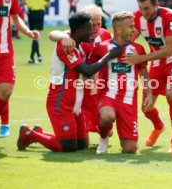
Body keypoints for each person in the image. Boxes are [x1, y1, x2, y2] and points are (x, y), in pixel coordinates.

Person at [16, 12, 122, 152]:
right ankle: (30, 133)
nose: (92, 32)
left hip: (75, 104)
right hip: (61, 103)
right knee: (68, 146)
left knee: (82, 145)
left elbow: (59, 33)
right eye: (89, 28)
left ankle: (40, 132)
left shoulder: (74, 41)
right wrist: (109, 55)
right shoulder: (66, 46)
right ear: (78, 31)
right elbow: (87, 71)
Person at [123, 0, 172, 154]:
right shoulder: (137, 17)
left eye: (147, 8)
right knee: (146, 107)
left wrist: (140, 59)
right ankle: (158, 127)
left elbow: (168, 51)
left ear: (156, 4)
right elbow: (128, 39)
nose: (143, 12)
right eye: (141, 8)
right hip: (157, 62)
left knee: (171, 94)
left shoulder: (169, 16)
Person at [88, 11, 153, 154]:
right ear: (118, 29)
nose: (134, 30)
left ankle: (121, 135)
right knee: (106, 117)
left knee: (130, 149)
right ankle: (104, 137)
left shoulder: (138, 49)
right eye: (130, 26)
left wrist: (149, 94)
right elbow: (89, 69)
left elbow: (144, 75)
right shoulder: (101, 48)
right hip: (109, 97)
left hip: (129, 101)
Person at [48, 5, 112, 135]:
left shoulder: (105, 35)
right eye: (92, 25)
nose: (95, 29)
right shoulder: (74, 39)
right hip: (81, 83)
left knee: (106, 129)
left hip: (99, 82)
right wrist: (63, 37)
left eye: (98, 24)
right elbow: (52, 34)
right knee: (83, 122)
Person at [0, 0, 39, 135]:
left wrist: (28, 32)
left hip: (4, 52)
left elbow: (16, 19)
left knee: (5, 91)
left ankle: (4, 124)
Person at [22, 0, 50, 64]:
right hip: (39, 13)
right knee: (35, 35)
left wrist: (30, 2)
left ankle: (34, 56)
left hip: (30, 13)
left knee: (34, 35)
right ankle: (35, 56)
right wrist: (41, 2)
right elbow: (48, 4)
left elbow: (23, 2)